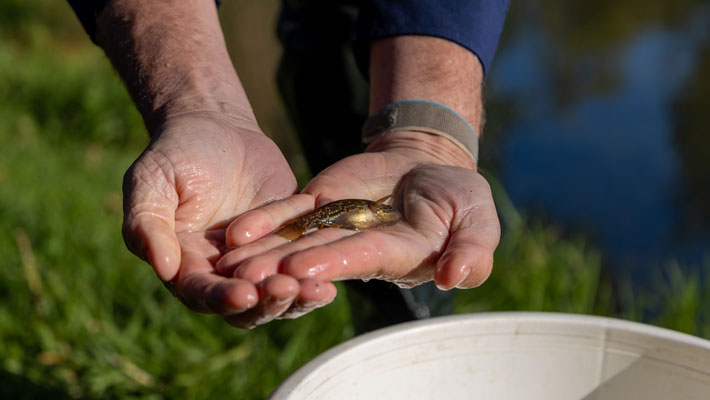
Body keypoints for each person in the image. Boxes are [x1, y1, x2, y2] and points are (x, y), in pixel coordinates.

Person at [67, 0, 508, 329]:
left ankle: (404, 333)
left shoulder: (376, 210)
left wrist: (429, 136)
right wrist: (199, 105)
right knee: (319, 63)